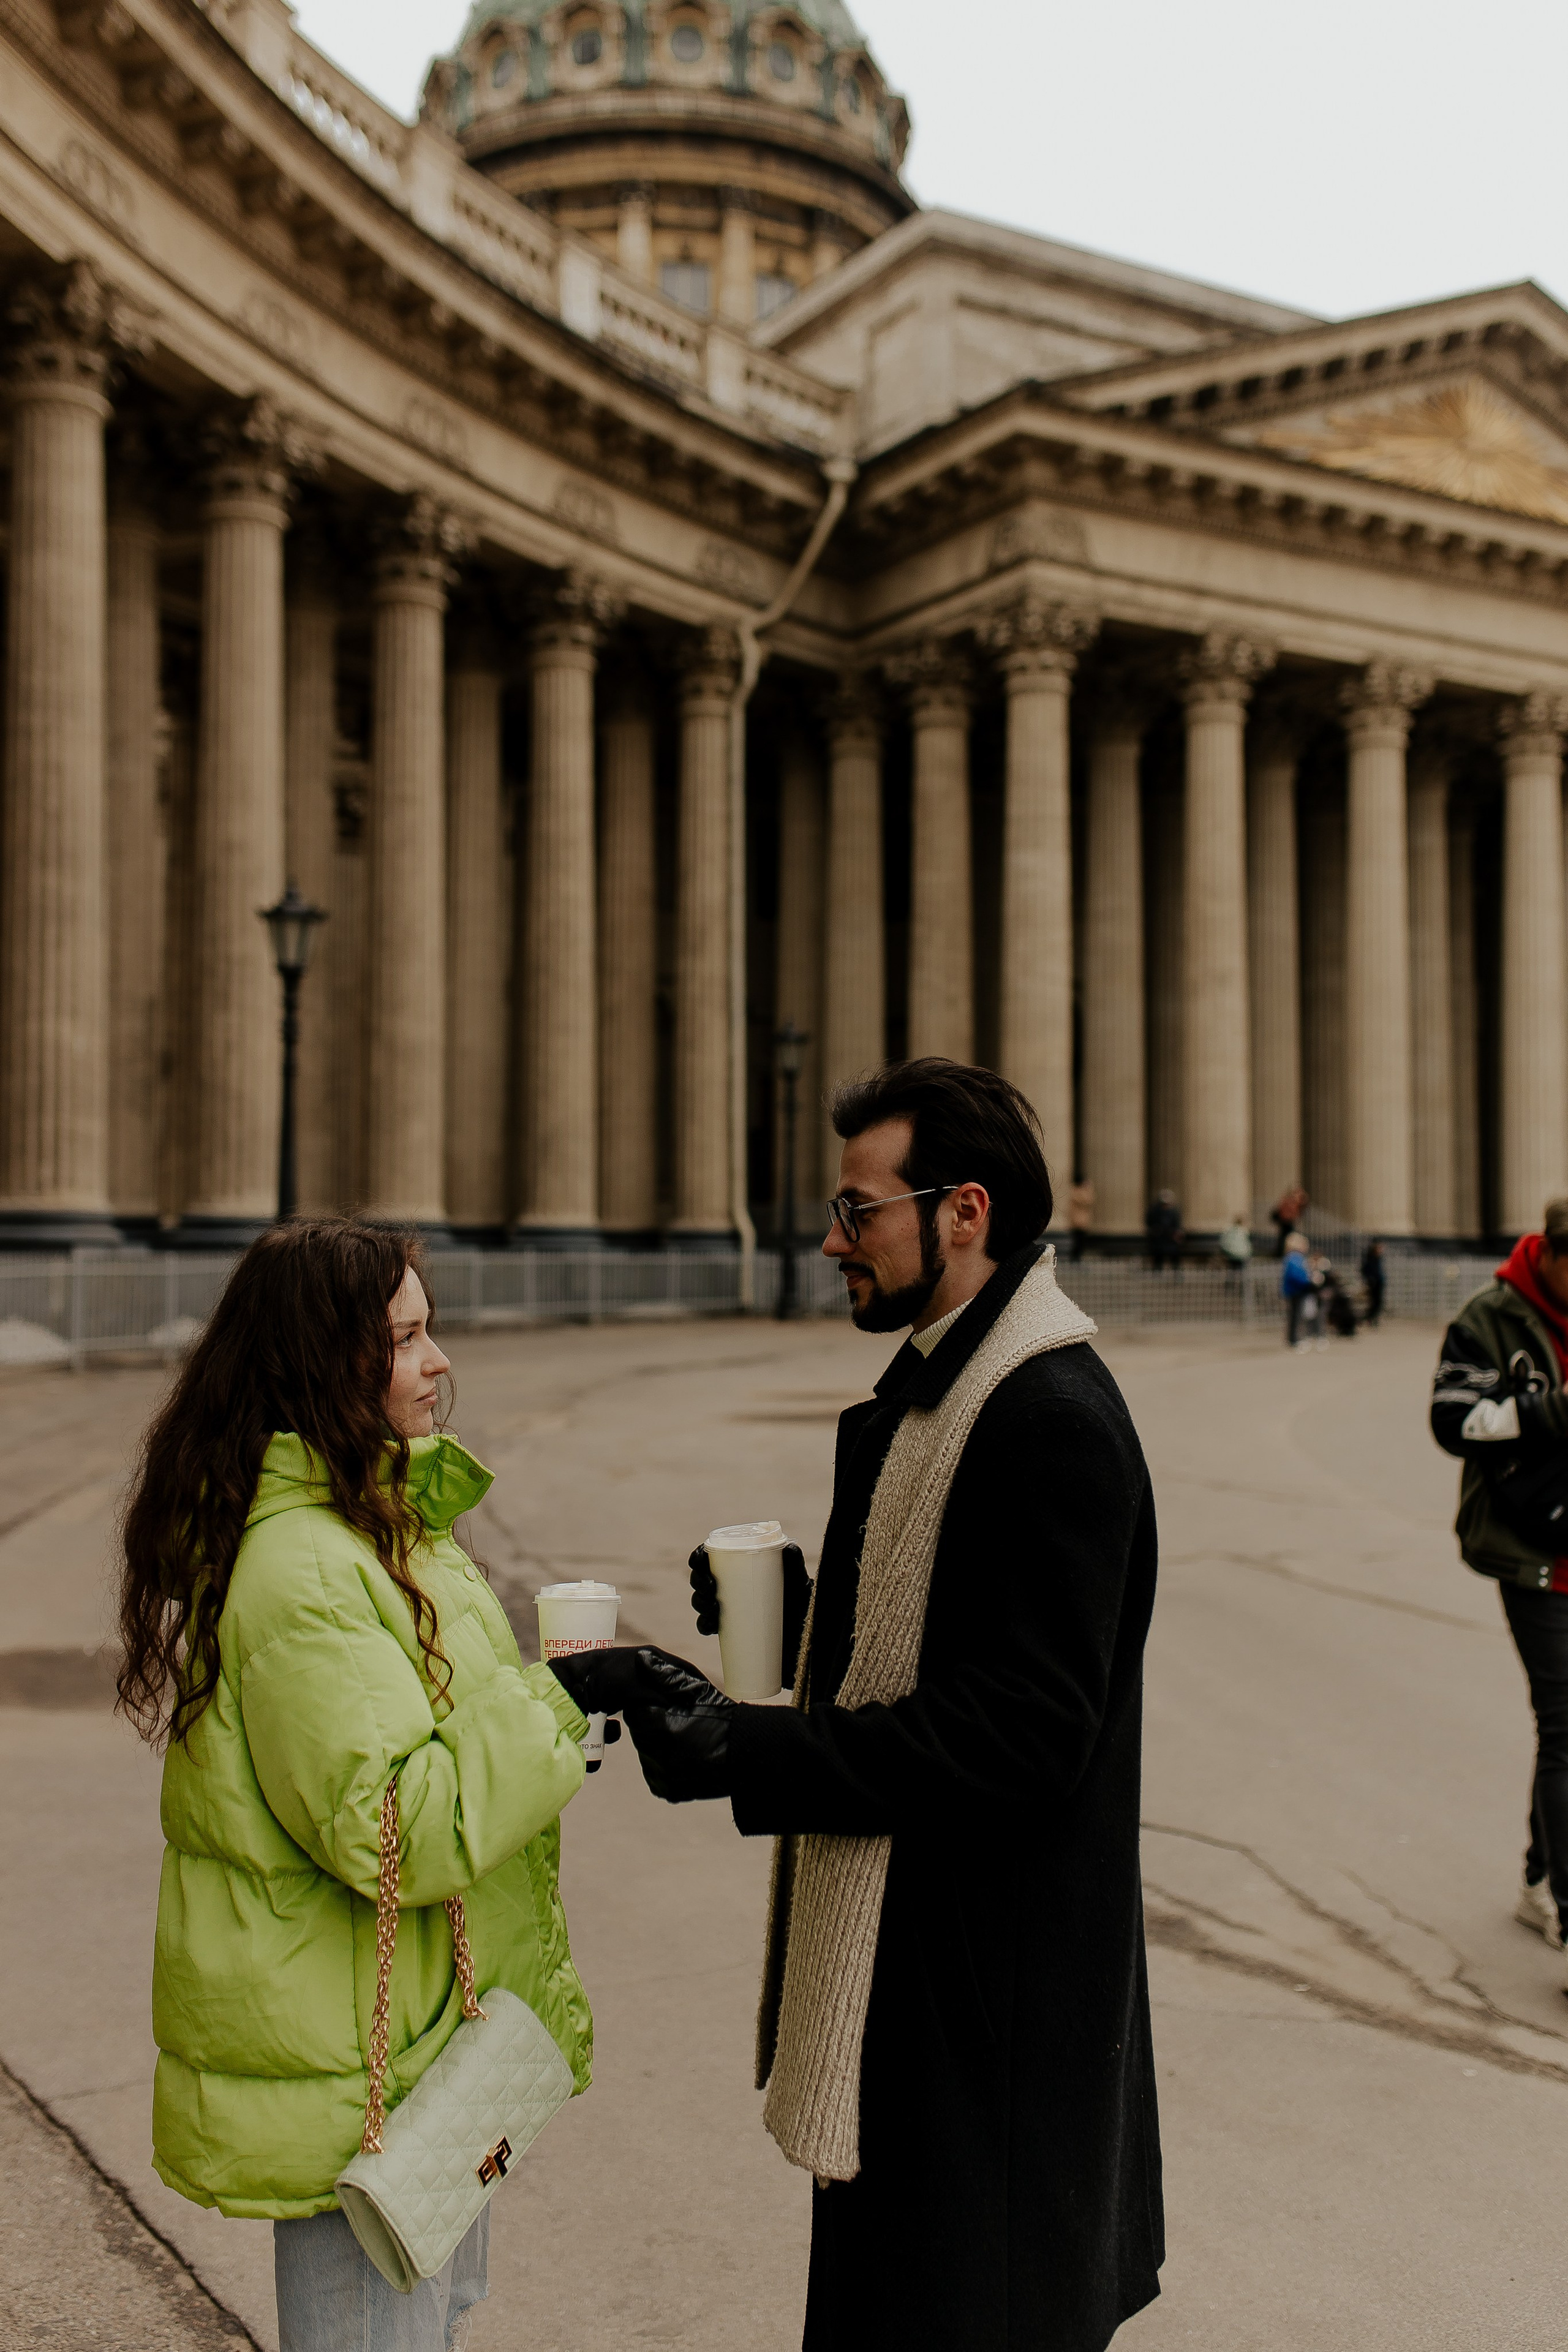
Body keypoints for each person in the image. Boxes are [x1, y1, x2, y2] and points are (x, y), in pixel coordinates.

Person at [561, 1059, 1164, 2352]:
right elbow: (954, 1630)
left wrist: (740, 1747)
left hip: (986, 2038)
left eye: (859, 1210)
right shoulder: (952, 1382)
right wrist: (806, 1609)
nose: (833, 1241)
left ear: (964, 1213)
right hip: (926, 2009)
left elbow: (1022, 1736)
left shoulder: (1048, 1416)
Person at [116, 1221, 596, 2352]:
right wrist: (565, 1697)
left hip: (421, 2054)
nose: (438, 1362)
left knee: (431, 2324)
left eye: (431, 1331)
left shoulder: (375, 1520)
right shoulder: (306, 1570)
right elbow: (394, 1831)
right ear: (322, 1365)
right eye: (405, 1339)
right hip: (362, 2083)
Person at [1430, 1199, 1568, 1975]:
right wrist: (1547, 1411)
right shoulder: (1492, 1316)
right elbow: (1451, 1420)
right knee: (1566, 1723)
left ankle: (1539, 1878)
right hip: (1529, 1547)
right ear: (1550, 1252)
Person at [1281, 1229, 1314, 1348]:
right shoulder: (1294, 1257)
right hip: (1295, 1290)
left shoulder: (1296, 1257)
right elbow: (1296, 1274)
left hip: (1298, 1290)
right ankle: (1294, 1340)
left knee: (1297, 1315)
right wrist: (1309, 1281)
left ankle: (1296, 1338)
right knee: (1296, 1316)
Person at [1145, 1188, 1182, 1273]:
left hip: (1171, 1239)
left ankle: (1176, 1272)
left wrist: (1176, 1234)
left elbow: (1177, 1225)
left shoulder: (1173, 1212)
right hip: (1158, 1240)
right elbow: (1150, 1224)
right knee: (1158, 1258)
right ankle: (1157, 1273)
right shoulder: (1155, 1212)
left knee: (1175, 1257)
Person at [1271, 1183, 1308, 1258]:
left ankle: (1284, 1252)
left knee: (1287, 1237)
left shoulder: (1296, 1202)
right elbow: (1282, 1209)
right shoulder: (1289, 1201)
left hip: (1288, 1221)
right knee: (1286, 1237)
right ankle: (1282, 1253)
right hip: (1285, 1220)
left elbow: (1303, 1204)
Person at [1067, 1174, 1096, 1262]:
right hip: (1078, 1221)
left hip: (1080, 1220)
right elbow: (1088, 1200)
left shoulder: (1076, 1192)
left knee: (1080, 1241)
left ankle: (1076, 1258)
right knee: (1078, 1241)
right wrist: (1089, 1188)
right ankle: (1075, 1259)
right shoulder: (1077, 1192)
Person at [1218, 1213, 1253, 1284]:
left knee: (1231, 1272)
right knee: (1242, 1273)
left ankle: (1230, 1285)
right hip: (1242, 1254)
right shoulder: (1244, 1231)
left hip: (1231, 1254)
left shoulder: (1228, 1230)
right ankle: (1243, 1286)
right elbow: (1247, 1244)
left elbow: (1223, 1242)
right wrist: (1249, 1253)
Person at [1361, 1238, 1387, 1327]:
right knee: (1375, 1302)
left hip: (1378, 1282)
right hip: (1374, 1283)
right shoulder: (1371, 1259)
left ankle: (1373, 1318)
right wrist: (1371, 1280)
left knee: (1377, 1302)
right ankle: (1370, 1318)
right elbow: (1366, 1270)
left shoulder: (1377, 1258)